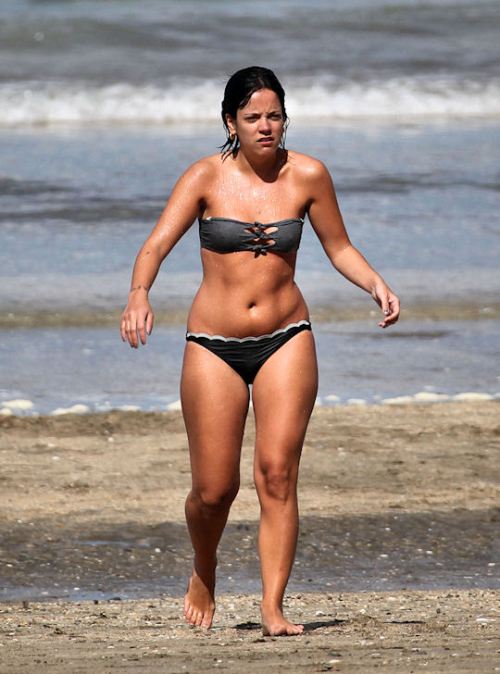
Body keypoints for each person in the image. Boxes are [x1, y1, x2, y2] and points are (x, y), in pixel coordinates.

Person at [120, 66, 400, 637]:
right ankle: (204, 567)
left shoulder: (309, 175)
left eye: (274, 116)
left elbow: (339, 246)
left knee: (277, 475)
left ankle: (273, 607)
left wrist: (375, 283)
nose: (265, 126)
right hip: (213, 346)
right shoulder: (204, 176)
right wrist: (138, 295)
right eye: (253, 117)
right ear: (231, 122)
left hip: (286, 337)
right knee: (214, 490)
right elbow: (155, 246)